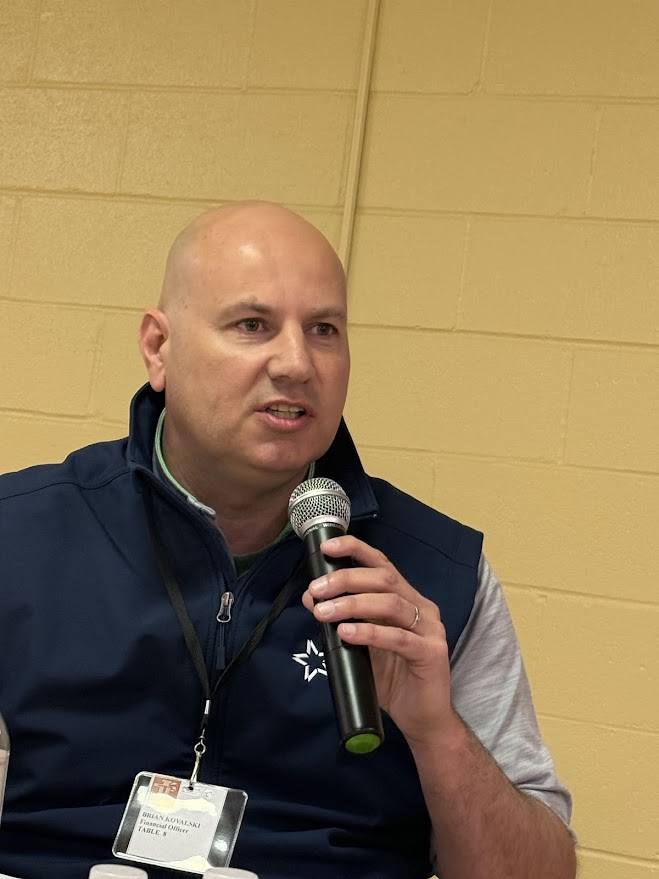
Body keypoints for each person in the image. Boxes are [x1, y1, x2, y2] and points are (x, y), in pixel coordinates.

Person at [0, 202, 576, 879]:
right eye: (252, 325)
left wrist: (435, 730)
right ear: (159, 347)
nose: (297, 363)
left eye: (324, 330)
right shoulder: (21, 537)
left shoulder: (435, 579)